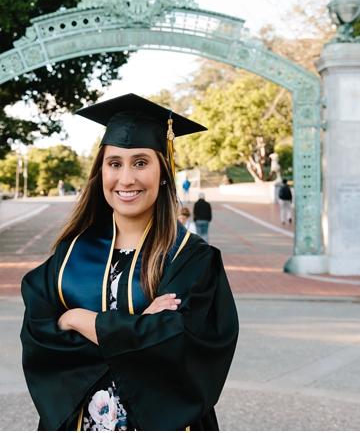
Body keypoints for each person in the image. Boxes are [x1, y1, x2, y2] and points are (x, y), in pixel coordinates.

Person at [20, 93, 238, 431]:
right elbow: (39, 332)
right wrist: (136, 331)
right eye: (115, 163)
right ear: (101, 172)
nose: (126, 179)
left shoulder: (190, 257)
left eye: (140, 162)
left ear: (163, 172)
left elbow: (177, 347)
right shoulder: (72, 252)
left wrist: (77, 318)